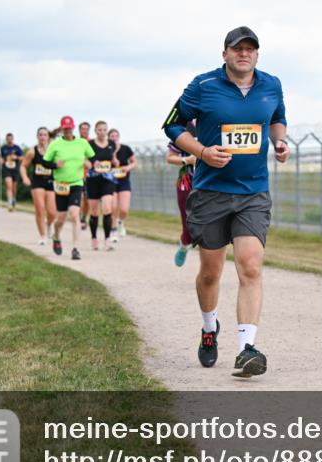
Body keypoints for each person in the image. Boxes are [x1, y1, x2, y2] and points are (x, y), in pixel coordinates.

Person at [162, 26, 289, 377]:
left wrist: (279, 142)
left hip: (253, 193)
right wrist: (202, 150)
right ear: (225, 54)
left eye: (250, 49)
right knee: (210, 273)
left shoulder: (272, 85)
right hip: (211, 192)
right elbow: (172, 125)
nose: (243, 54)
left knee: (250, 267)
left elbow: (277, 119)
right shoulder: (203, 86)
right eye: (237, 49)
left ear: (257, 55)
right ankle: (208, 328)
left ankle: (247, 349)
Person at [44, 116, 95, 260]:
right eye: (65, 128)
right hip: (60, 185)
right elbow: (45, 162)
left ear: (73, 128)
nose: (67, 130)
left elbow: (92, 158)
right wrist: (55, 165)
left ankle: (75, 248)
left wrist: (88, 163)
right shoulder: (55, 144)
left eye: (69, 128)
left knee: (74, 215)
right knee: (60, 219)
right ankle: (56, 236)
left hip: (76, 183)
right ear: (62, 128)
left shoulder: (82, 143)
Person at [20, 127, 57, 245]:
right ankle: (42, 236)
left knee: (52, 212)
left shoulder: (54, 151)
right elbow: (23, 166)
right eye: (40, 135)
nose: (42, 137)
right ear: (37, 137)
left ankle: (49, 224)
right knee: (40, 209)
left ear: (48, 137)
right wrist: (25, 177)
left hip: (51, 182)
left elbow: (59, 165)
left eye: (45, 135)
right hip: (37, 183)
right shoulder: (32, 151)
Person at [85, 121, 118, 251]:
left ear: (107, 131)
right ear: (95, 131)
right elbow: (85, 158)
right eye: (99, 130)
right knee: (93, 211)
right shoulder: (90, 144)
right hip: (93, 179)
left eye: (104, 130)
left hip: (107, 179)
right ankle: (94, 238)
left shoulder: (111, 144)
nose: (102, 132)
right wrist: (89, 163)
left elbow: (113, 159)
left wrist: (115, 162)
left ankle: (107, 240)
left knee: (106, 208)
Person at [166, 137, 197, 267]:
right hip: (187, 180)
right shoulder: (184, 130)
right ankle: (185, 244)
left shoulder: (216, 124)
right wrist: (187, 160)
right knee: (187, 220)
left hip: (212, 180)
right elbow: (170, 157)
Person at [108, 128, 137, 240]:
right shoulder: (107, 150)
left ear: (118, 137)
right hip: (111, 182)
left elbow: (134, 162)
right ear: (109, 138)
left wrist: (128, 167)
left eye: (116, 136)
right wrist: (113, 152)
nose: (114, 138)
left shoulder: (126, 148)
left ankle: (121, 222)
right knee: (113, 207)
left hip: (124, 181)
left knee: (124, 209)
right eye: (112, 136)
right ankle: (113, 230)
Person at [0, 132, 24, 211]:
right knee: (8, 185)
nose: (9, 140)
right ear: (6, 139)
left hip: (15, 169)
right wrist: (1, 160)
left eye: (10, 138)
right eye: (8, 139)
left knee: (14, 187)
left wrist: (16, 157)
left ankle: (13, 199)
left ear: (13, 139)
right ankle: (9, 203)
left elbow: (22, 157)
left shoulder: (17, 148)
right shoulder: (3, 148)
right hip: (6, 169)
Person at [78, 121, 91, 231]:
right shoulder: (75, 142)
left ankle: (83, 217)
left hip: (89, 176)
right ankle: (78, 219)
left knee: (87, 200)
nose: (85, 131)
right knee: (80, 198)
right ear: (79, 130)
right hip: (77, 175)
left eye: (86, 129)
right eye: (83, 129)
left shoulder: (91, 143)